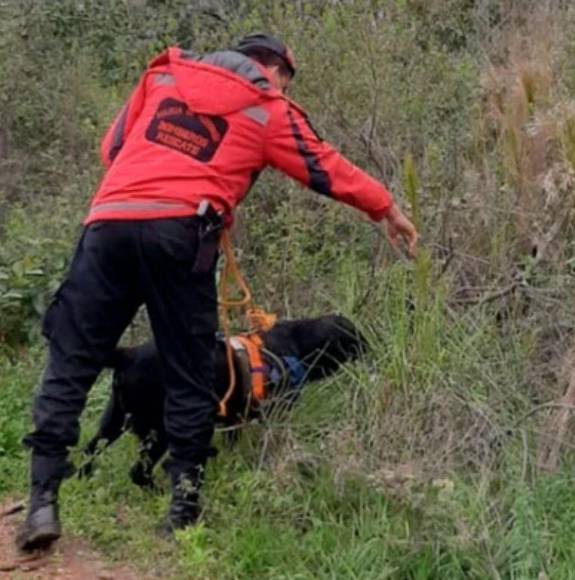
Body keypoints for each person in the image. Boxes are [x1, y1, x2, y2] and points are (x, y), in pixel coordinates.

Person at [17, 33, 418, 551]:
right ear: (274, 71)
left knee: (71, 364)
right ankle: (183, 511)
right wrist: (387, 208)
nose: (283, 90)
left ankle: (42, 502)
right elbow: (324, 166)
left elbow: (112, 149)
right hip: (182, 235)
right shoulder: (266, 106)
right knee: (189, 372)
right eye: (285, 82)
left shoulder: (163, 78)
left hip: (109, 224)